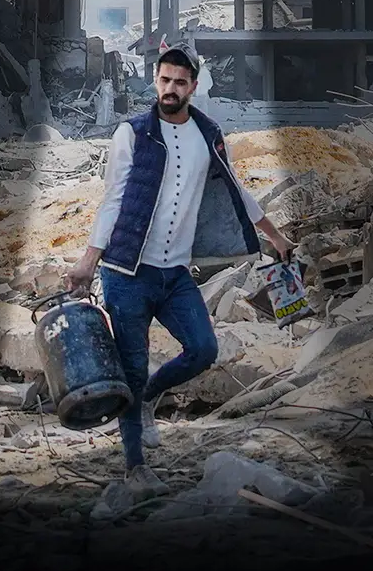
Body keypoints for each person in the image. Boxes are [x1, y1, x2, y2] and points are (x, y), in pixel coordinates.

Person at [65, 40, 295, 499]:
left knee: (203, 349)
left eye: (180, 82)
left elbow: (236, 190)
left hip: (175, 275)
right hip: (126, 273)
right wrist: (89, 259)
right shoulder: (132, 133)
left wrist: (275, 236)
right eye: (165, 79)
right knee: (131, 369)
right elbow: (112, 200)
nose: (170, 88)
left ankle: (151, 396)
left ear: (193, 86)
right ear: (156, 80)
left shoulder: (207, 133)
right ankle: (135, 467)